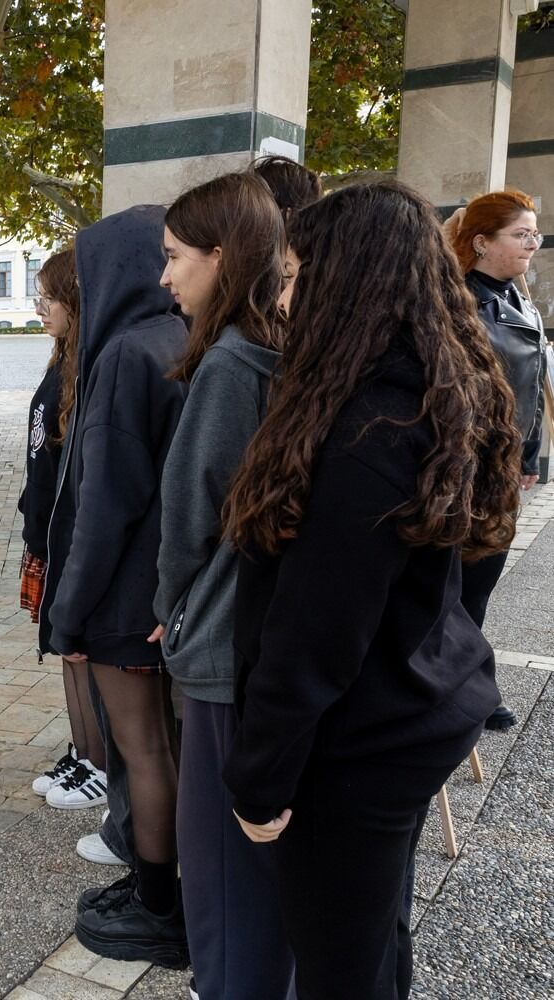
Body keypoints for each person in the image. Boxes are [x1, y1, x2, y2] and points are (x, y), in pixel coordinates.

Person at [222, 181, 521, 1000]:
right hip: (408, 713)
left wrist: (259, 778)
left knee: (340, 966)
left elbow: (313, 637)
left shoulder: (371, 429)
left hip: (358, 745)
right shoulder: (424, 391)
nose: (281, 298)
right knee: (372, 933)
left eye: (291, 276)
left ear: (344, 285)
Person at [150, 171, 294, 1000]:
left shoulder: (232, 364)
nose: (166, 276)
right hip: (259, 641)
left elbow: (188, 521)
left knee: (224, 871)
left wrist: (170, 610)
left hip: (222, 648)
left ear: (220, 255)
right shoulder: (277, 347)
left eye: (175, 257)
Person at [39, 205, 189, 967]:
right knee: (160, 748)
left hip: (126, 602)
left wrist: (67, 615)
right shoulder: (180, 336)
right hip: (166, 595)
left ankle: (160, 902)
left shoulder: (127, 356)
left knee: (143, 752)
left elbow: (105, 509)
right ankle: (163, 888)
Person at [446, 189, 546, 732]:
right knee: (455, 590)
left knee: (479, 588)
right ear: (481, 242)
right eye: (522, 234)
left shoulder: (516, 297)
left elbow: (527, 384)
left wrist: (528, 451)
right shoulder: (456, 302)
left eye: (535, 233)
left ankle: (470, 684)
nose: (534, 242)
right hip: (466, 468)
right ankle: (463, 687)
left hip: (502, 467)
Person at [21, 249, 110, 812]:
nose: (40, 307)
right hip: (46, 531)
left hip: (70, 534)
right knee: (62, 647)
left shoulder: (96, 364)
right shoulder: (61, 359)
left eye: (49, 297)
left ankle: (100, 759)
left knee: (80, 650)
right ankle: (83, 750)